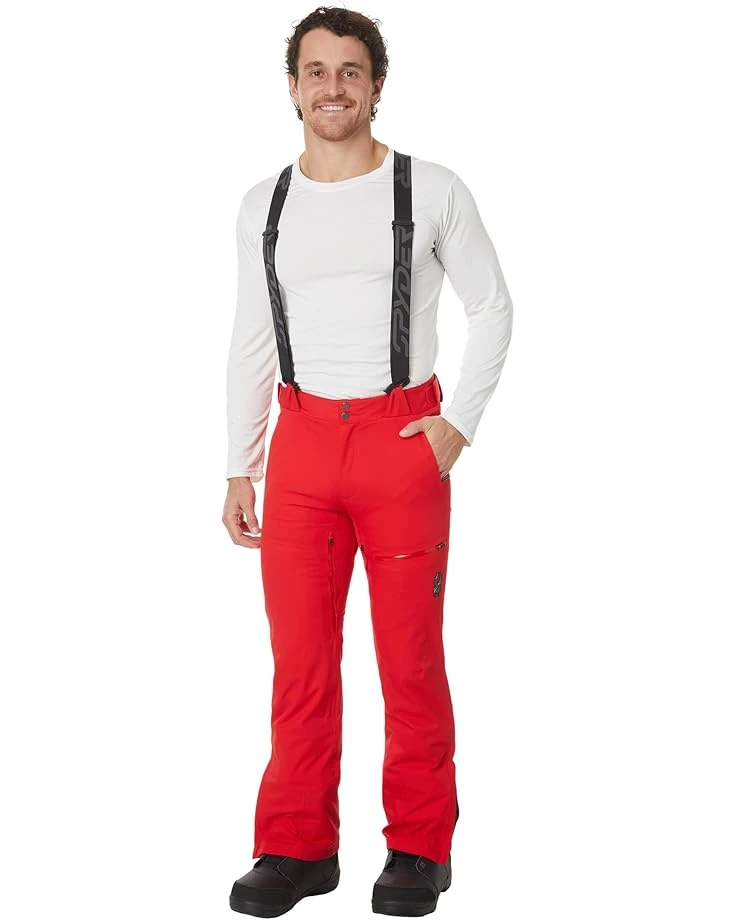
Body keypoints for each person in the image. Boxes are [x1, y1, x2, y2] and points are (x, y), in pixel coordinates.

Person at [222, 7, 513, 917]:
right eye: (316, 71)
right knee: (300, 663)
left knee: (410, 659)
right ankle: (296, 847)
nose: (333, 87)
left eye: (351, 70)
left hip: (401, 442)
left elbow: (493, 306)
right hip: (301, 447)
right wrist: (239, 465)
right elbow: (252, 334)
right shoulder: (264, 203)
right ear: (293, 86)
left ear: (377, 85)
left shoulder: (433, 189)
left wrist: (457, 425)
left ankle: (420, 847)